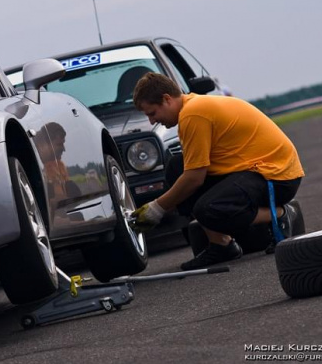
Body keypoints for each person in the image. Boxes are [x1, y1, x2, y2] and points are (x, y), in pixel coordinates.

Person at [130, 72, 304, 270]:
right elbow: (190, 172)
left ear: (167, 99)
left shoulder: (193, 114)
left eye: (152, 113)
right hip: (252, 171)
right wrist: (160, 207)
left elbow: (195, 179)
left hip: (277, 176)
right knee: (177, 167)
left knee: (209, 209)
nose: (152, 122)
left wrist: (156, 209)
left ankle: (281, 214)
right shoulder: (192, 107)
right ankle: (222, 245)